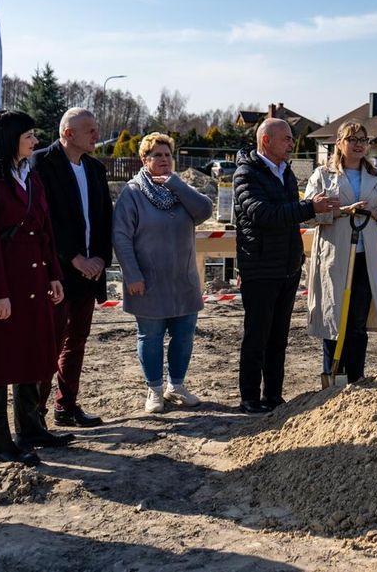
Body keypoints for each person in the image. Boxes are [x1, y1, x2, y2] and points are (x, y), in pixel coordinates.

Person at [0, 109, 73, 465]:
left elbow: (44, 232)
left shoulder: (30, 178)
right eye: (29, 136)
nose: (35, 141)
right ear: (10, 139)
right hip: (0, 290)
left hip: (33, 284)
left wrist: (54, 273)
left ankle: (31, 429)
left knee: (31, 356)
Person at [234, 118, 339, 413]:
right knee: (257, 335)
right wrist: (309, 207)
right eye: (287, 139)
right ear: (266, 140)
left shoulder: (286, 173)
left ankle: (273, 395)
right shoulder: (247, 175)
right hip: (260, 267)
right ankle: (250, 397)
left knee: (278, 337)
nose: (292, 144)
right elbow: (262, 214)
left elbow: (288, 214)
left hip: (286, 267)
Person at [113, 133, 214, 412]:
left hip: (183, 280)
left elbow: (205, 210)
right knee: (151, 336)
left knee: (184, 335)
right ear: (144, 160)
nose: (164, 160)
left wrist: (178, 185)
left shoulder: (179, 190)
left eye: (168, 154)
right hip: (147, 282)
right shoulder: (132, 193)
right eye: (157, 155)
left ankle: (176, 386)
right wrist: (132, 274)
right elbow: (121, 237)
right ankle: (155, 390)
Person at [32, 107, 112, 428]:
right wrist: (75, 258)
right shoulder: (41, 163)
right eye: (89, 129)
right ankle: (34, 415)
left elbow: (105, 217)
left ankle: (66, 407)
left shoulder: (94, 168)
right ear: (68, 133)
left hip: (89, 273)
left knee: (76, 341)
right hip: (58, 273)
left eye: (95, 128)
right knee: (48, 345)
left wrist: (101, 259)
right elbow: (44, 220)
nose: (96, 134)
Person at [304, 120, 377, 382]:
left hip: (365, 259)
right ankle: (333, 377)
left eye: (362, 140)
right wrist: (341, 212)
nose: (358, 145)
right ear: (339, 143)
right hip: (335, 258)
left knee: (357, 323)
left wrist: (375, 213)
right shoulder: (322, 175)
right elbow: (308, 216)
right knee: (333, 320)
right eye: (351, 139)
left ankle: (356, 379)